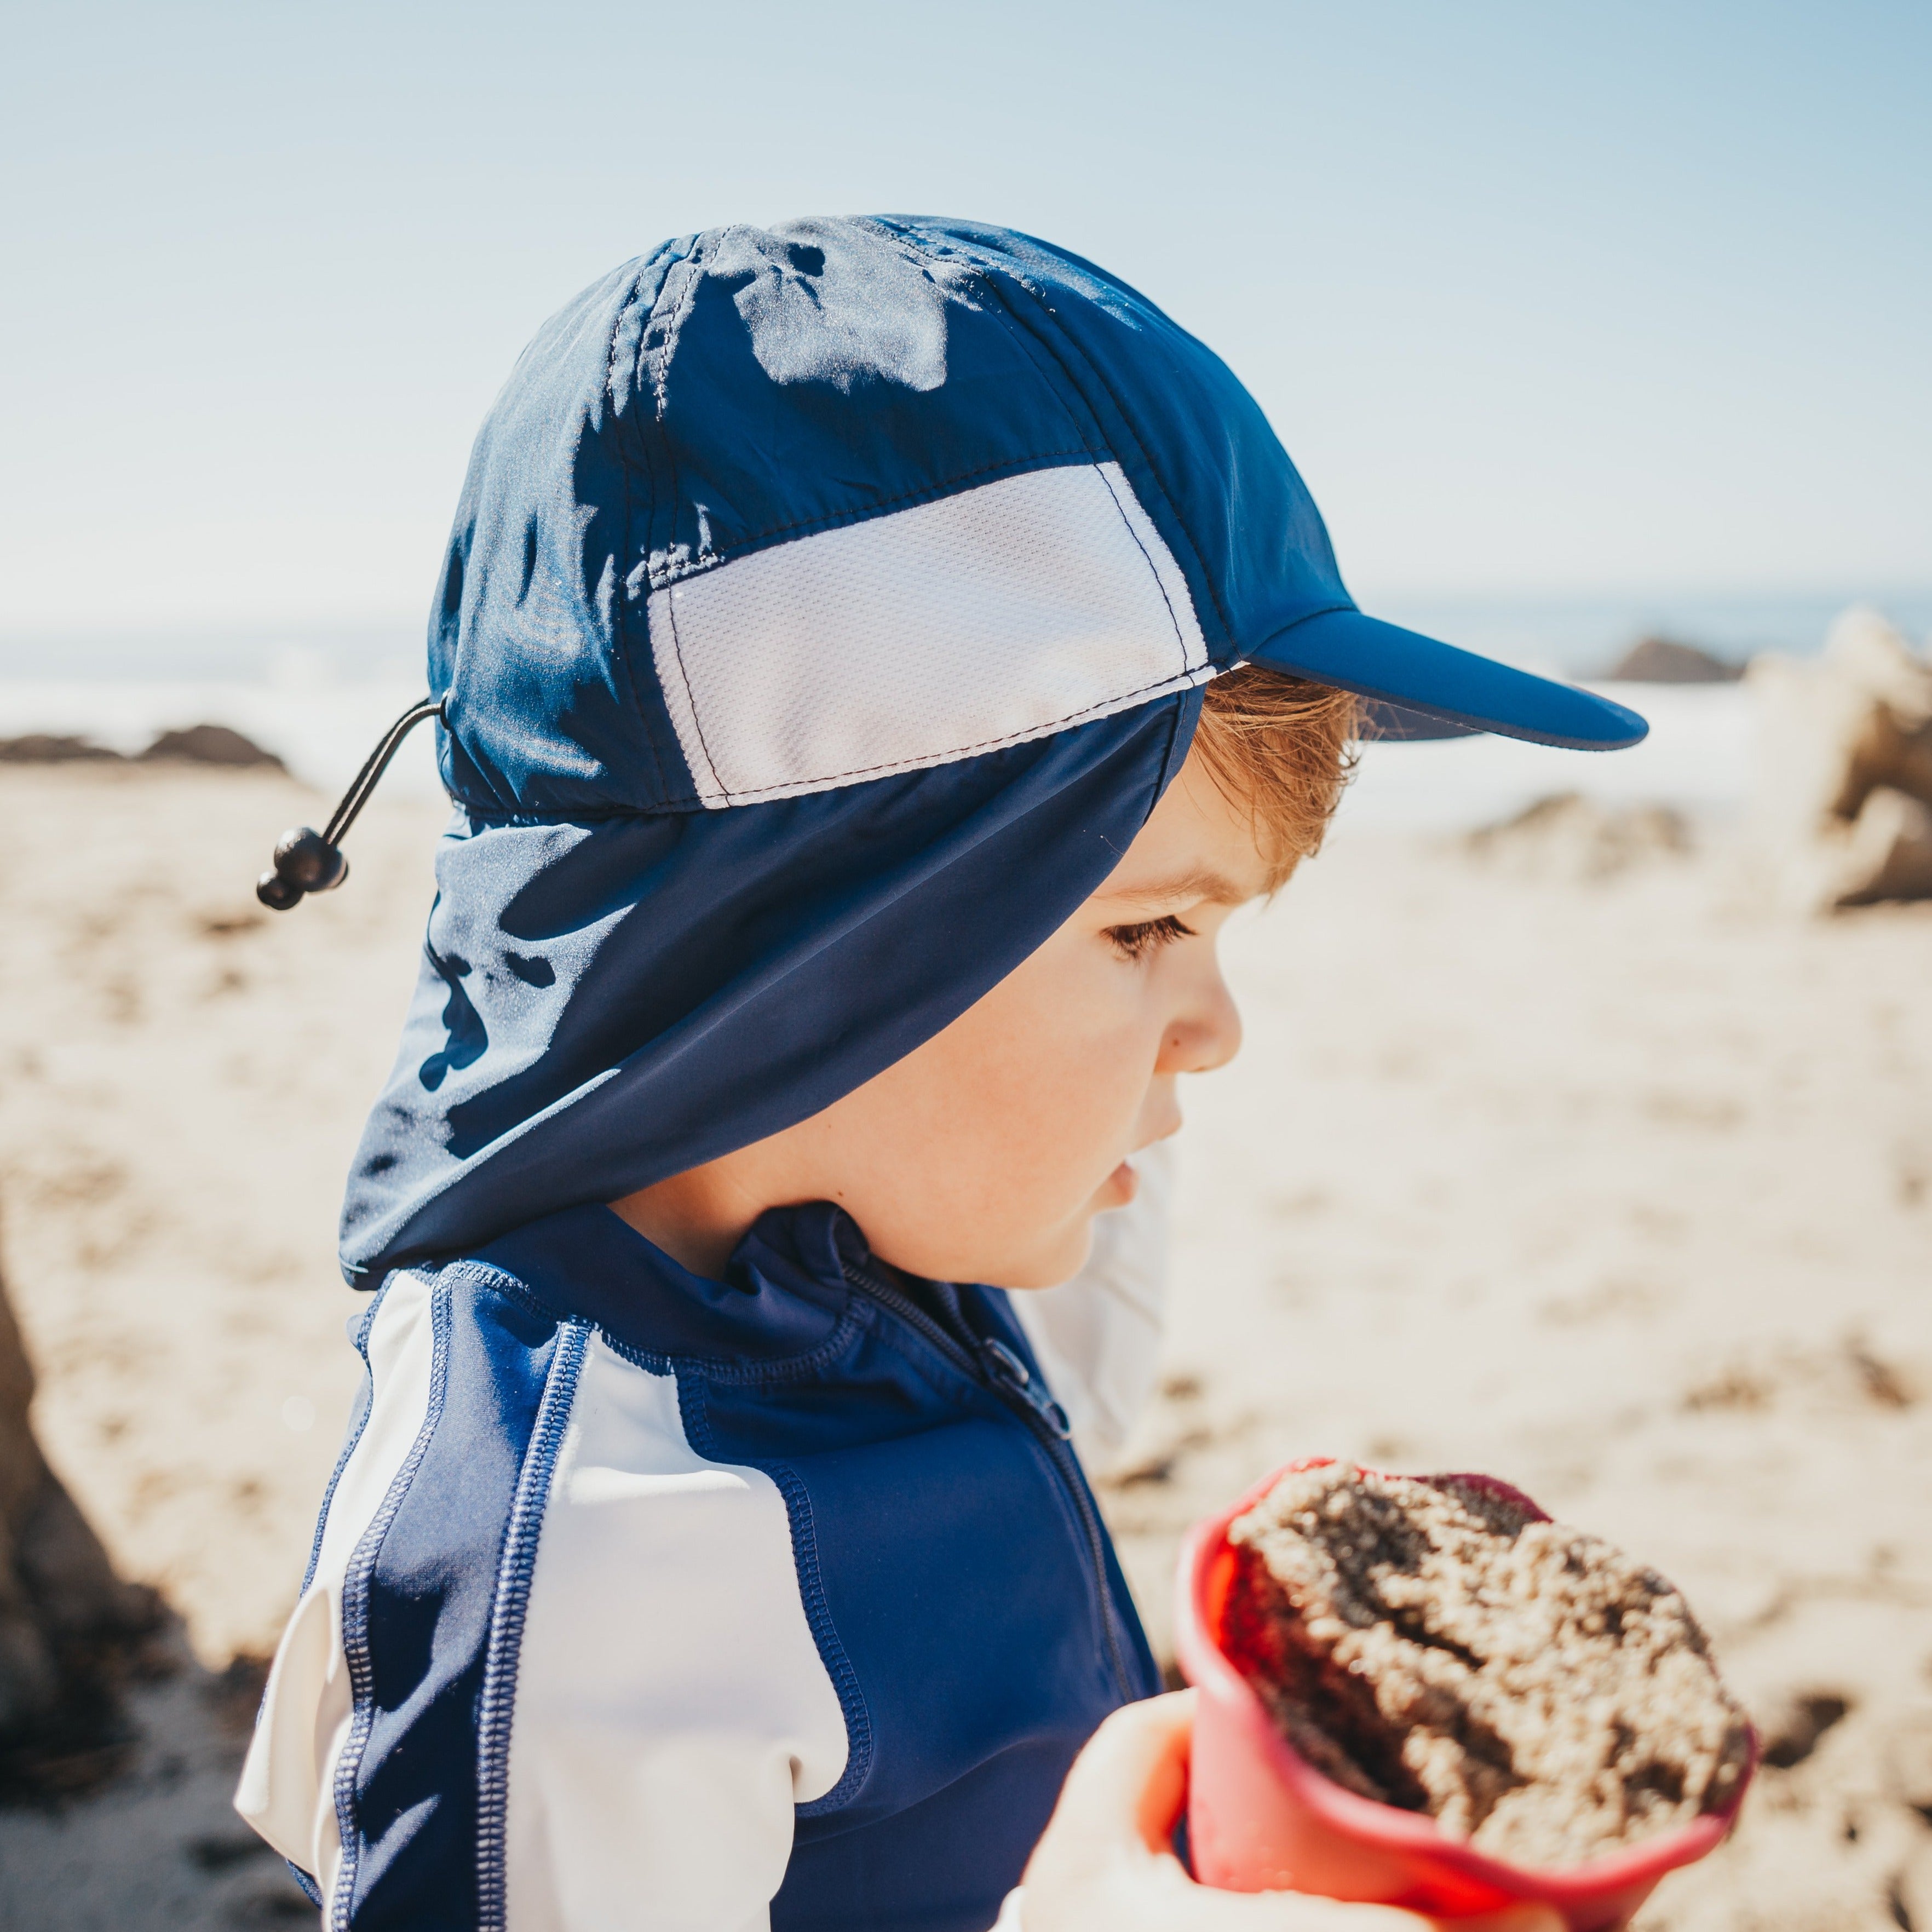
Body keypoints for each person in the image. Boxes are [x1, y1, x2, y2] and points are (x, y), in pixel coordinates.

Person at [232, 216, 1642, 1931]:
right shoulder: (575, 1577)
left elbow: (1083, 1378)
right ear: (816, 960)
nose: (1224, 1028)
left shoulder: (880, 1211)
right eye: (1148, 933)